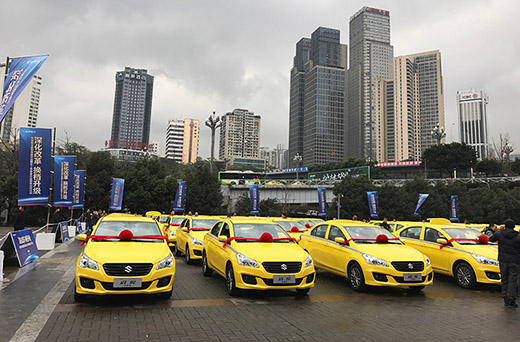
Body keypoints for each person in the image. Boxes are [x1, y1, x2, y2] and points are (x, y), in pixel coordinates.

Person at [489, 219, 520, 308]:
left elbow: (491, 239)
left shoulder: (499, 234)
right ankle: (511, 299)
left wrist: (498, 231)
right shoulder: (518, 236)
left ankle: (505, 297)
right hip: (515, 261)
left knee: (504, 279)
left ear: (505, 226)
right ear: (514, 226)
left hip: (503, 260)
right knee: (513, 280)